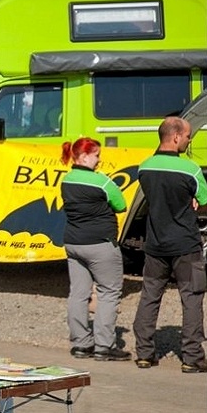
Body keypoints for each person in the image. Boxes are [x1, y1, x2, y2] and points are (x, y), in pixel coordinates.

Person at [131, 116, 207, 374]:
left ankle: (144, 354)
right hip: (186, 245)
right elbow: (204, 198)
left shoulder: (144, 167)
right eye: (187, 136)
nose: (189, 140)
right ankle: (192, 358)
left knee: (150, 297)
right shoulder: (191, 169)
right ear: (175, 137)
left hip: (155, 244)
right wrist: (195, 201)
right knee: (192, 298)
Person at [59, 137, 127, 361]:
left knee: (78, 293)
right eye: (97, 155)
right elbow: (121, 205)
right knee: (109, 292)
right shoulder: (102, 182)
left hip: (74, 243)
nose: (99, 160)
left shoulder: (67, 180)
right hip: (100, 244)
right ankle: (104, 346)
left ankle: (81, 343)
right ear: (85, 156)